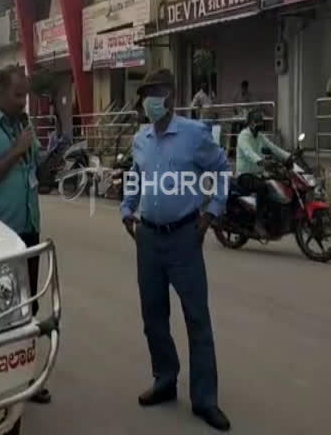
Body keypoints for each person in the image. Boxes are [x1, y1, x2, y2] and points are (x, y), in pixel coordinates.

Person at [121, 69, 232, 432]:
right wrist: (128, 209)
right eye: (144, 95)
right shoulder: (141, 138)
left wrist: (212, 213)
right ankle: (165, 380)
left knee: (197, 319)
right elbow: (135, 175)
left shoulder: (194, 135)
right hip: (148, 240)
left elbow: (222, 169)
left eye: (152, 93)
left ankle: (205, 400)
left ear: (168, 96)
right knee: (153, 317)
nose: (147, 102)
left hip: (185, 238)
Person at [0, 66, 51, 404]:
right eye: (18, 95)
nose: (23, 102)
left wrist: (46, 158)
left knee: (28, 306)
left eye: (26, 95)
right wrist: (17, 149)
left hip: (29, 228)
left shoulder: (24, 125)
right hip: (1, 235)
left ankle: (28, 375)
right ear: (0, 92)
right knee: (0, 310)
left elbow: (35, 167)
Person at [236, 109, 291, 239]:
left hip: (258, 174)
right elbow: (248, 152)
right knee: (262, 187)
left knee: (276, 187)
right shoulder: (244, 136)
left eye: (260, 123)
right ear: (250, 123)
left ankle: (274, 221)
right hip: (244, 175)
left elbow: (273, 148)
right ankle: (258, 223)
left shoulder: (259, 136)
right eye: (256, 123)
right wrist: (261, 161)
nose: (259, 125)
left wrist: (288, 157)